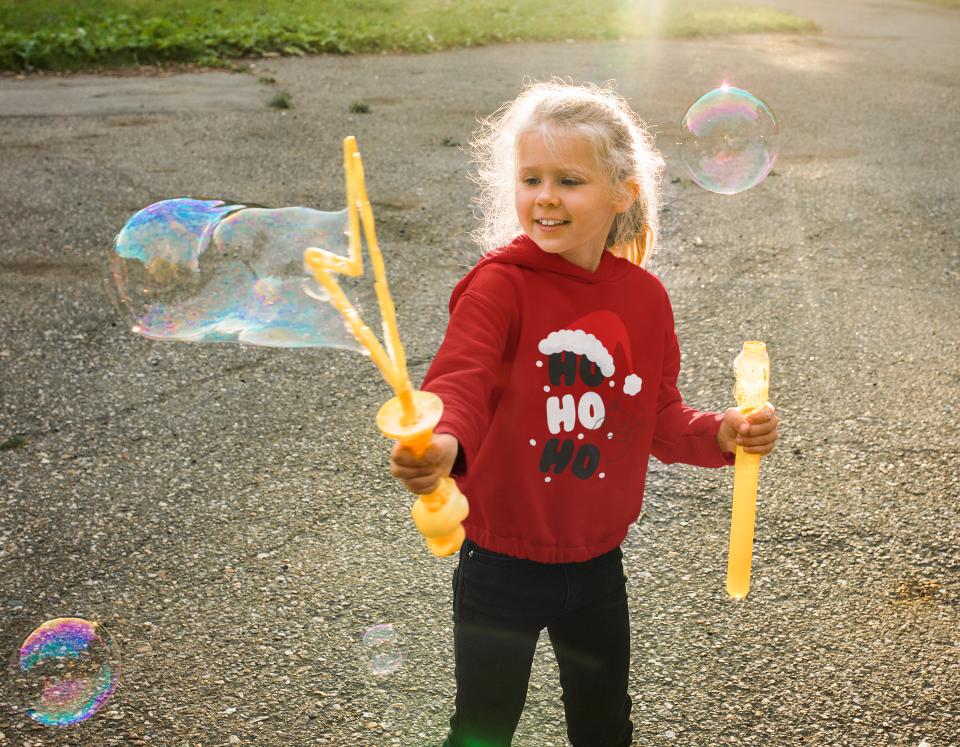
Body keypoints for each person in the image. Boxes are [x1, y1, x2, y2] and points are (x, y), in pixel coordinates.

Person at [389, 80, 780, 747]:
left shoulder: (645, 299)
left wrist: (719, 432)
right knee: (483, 724)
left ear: (622, 191)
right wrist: (444, 443)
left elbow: (657, 416)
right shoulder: (498, 286)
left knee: (604, 724)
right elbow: (463, 379)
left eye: (569, 180)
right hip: (500, 563)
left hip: (599, 565)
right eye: (531, 177)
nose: (544, 196)